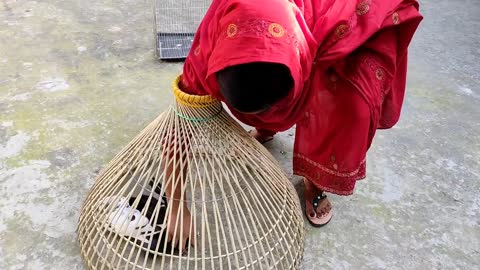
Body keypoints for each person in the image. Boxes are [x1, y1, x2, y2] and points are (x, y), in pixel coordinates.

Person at [168, 0, 423, 251]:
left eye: (274, 108)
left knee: (349, 103)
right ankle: (268, 127)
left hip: (347, 15)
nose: (272, 112)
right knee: (265, 94)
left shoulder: (313, 30)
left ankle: (315, 179)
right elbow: (181, 129)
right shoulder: (204, 57)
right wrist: (176, 204)